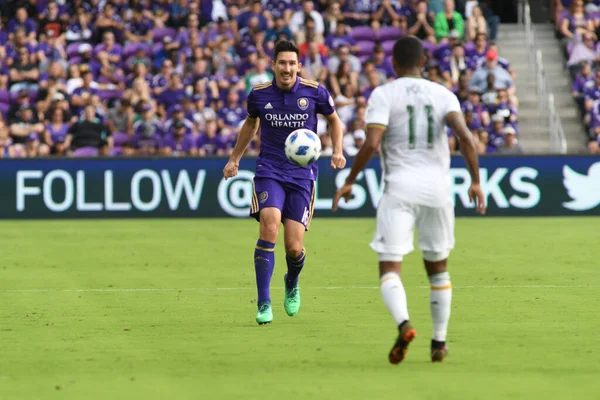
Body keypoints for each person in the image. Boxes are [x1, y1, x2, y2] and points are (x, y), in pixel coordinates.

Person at [332, 36, 486, 364]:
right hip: (438, 191)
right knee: (438, 269)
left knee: (390, 266)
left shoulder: (384, 94)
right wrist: (475, 181)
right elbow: (466, 137)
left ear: (394, 64)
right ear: (424, 61)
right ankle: (439, 342)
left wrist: (349, 181)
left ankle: (404, 324)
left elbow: (372, 144)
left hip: (400, 188)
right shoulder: (443, 94)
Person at [223, 40, 346, 325]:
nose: (287, 68)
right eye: (282, 63)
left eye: (292, 63)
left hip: (302, 176)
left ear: (299, 67)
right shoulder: (259, 94)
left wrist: (338, 151)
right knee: (269, 225)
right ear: (274, 65)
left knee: (293, 247)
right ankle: (264, 303)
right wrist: (235, 159)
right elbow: (250, 124)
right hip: (270, 170)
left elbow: (335, 121)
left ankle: (291, 281)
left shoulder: (315, 92)